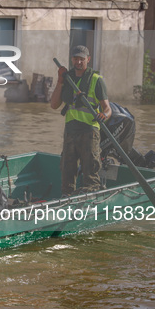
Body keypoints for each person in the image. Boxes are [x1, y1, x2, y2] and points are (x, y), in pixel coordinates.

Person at [50, 45, 112, 196]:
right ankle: (66, 199)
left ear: (88, 60)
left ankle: (92, 200)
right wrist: (60, 80)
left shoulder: (96, 80)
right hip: (70, 131)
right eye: (76, 59)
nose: (78, 62)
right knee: (67, 170)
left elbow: (107, 108)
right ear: (72, 59)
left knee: (90, 170)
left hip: (89, 131)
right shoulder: (67, 78)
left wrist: (104, 115)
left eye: (82, 59)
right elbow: (54, 105)